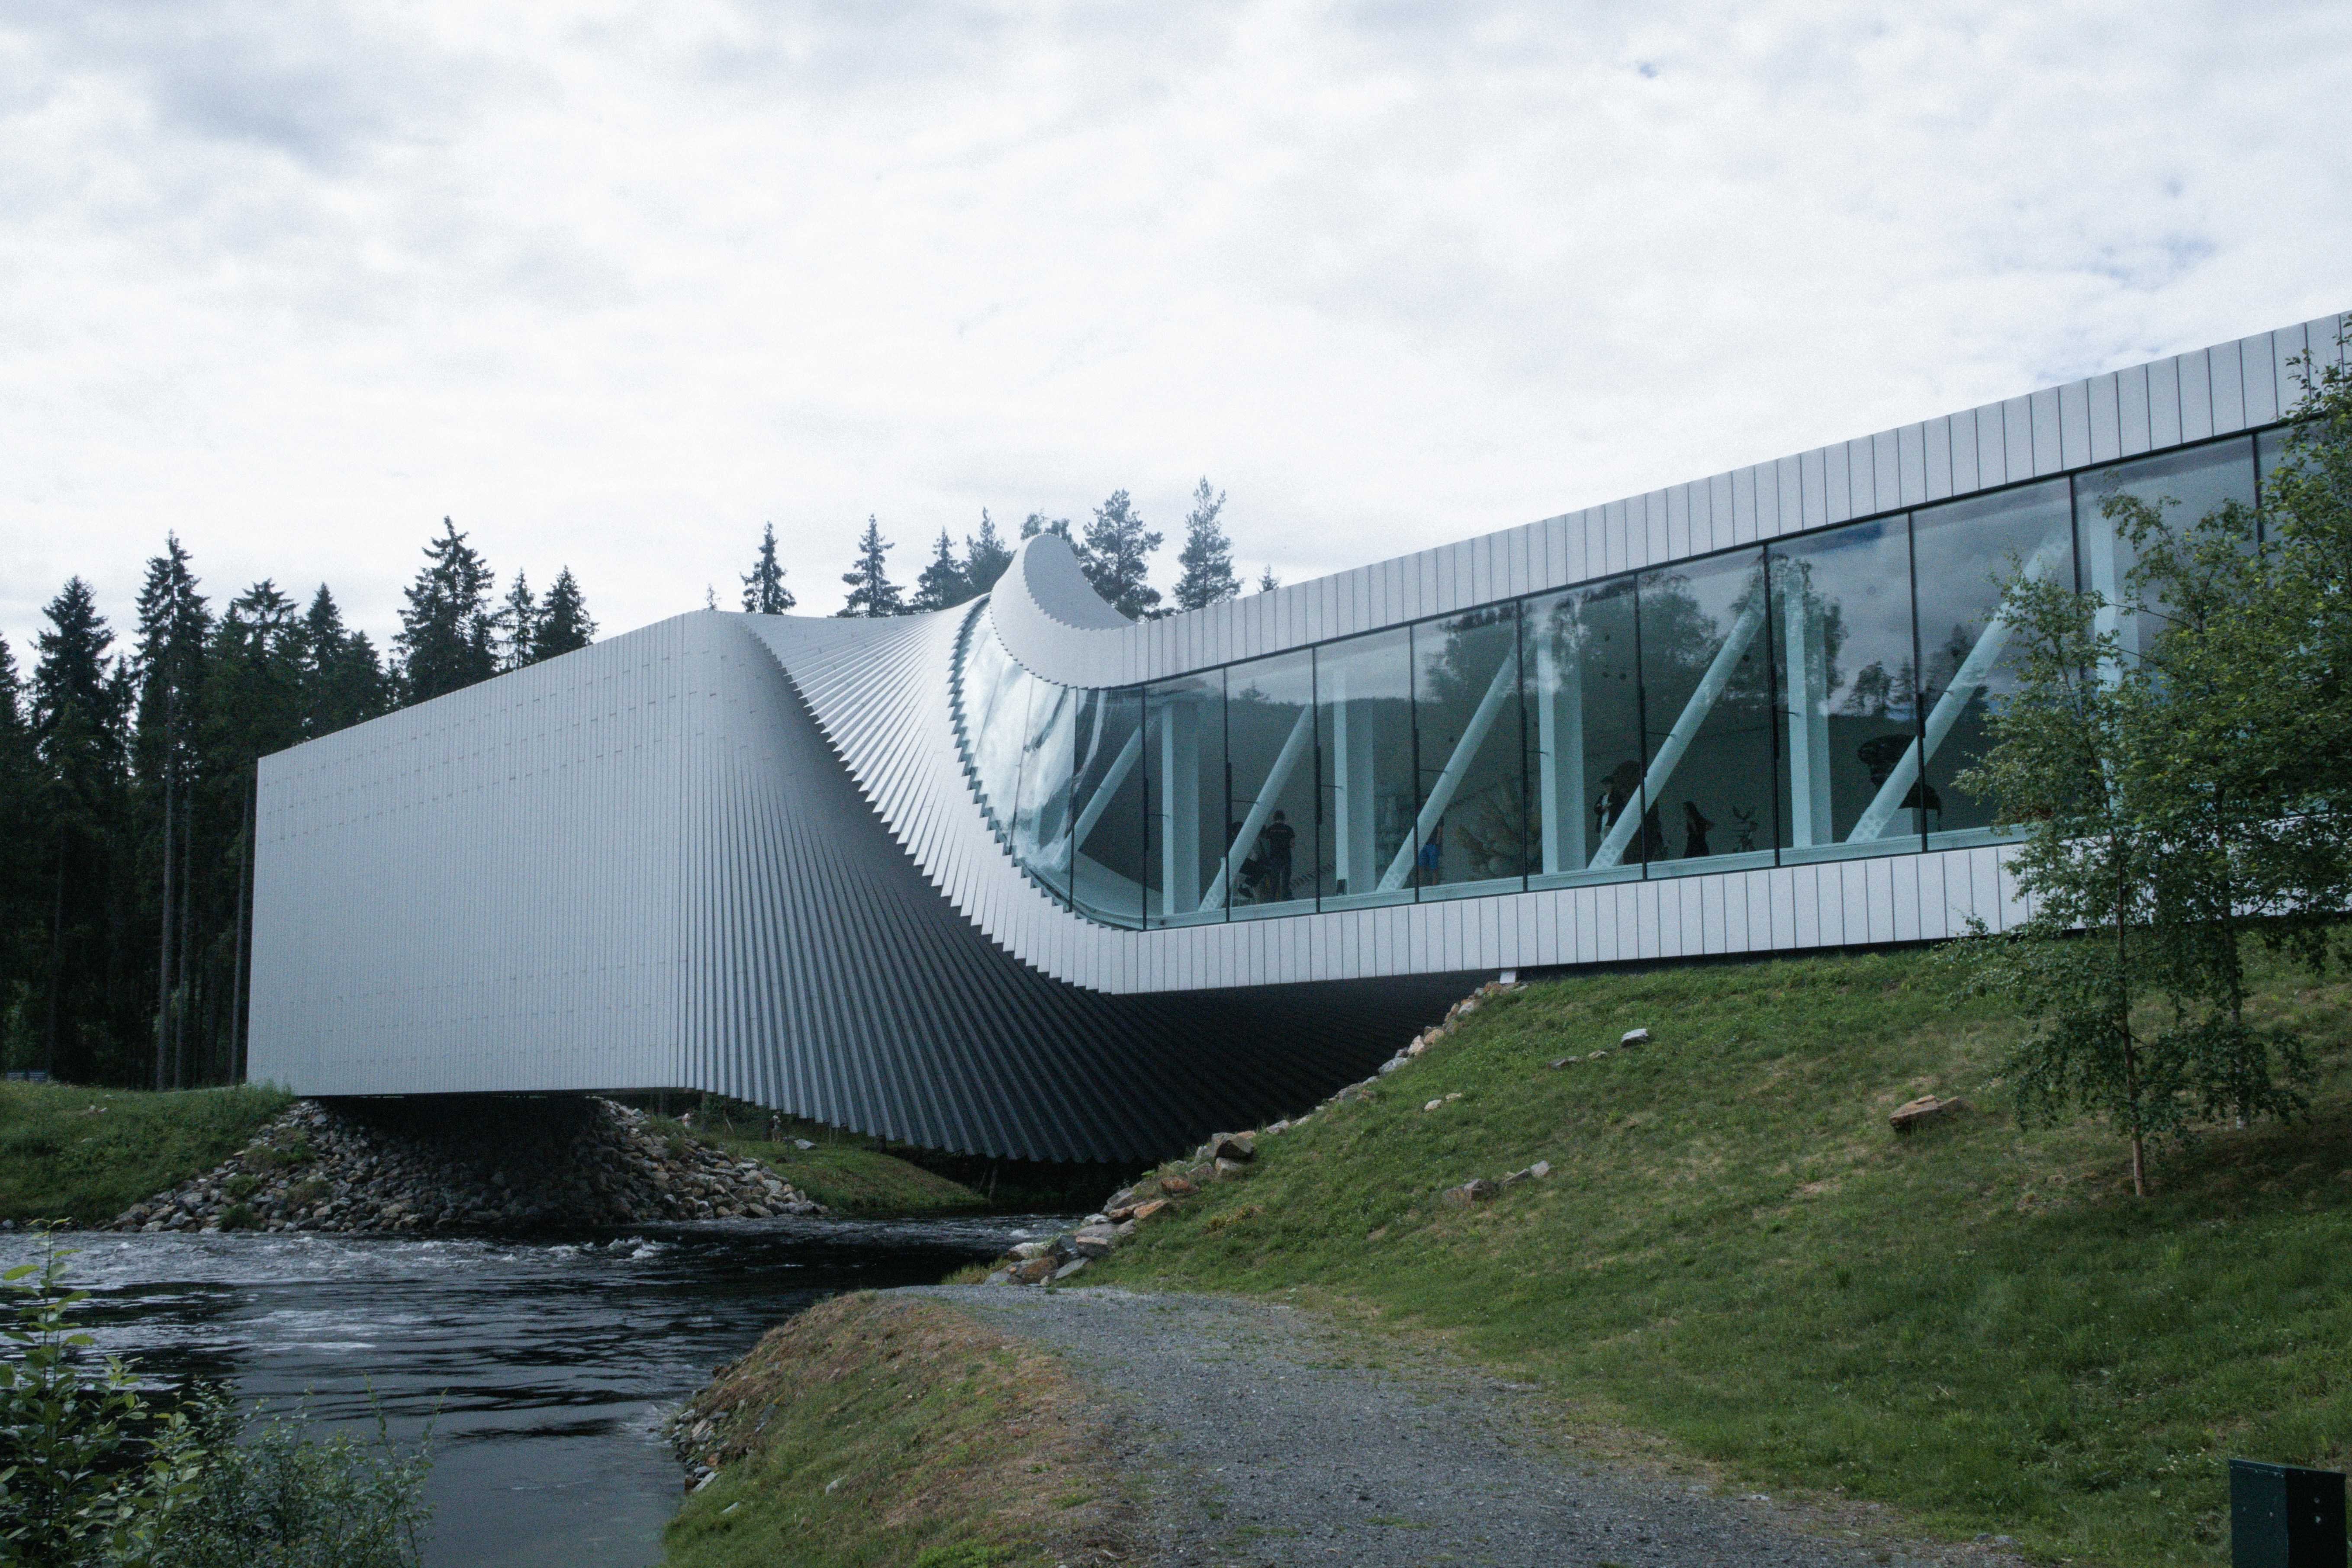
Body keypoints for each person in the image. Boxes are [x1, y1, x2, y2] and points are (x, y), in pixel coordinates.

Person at [1257, 809, 1296, 901]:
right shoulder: (1289, 829)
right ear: (1284, 819)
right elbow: (1292, 844)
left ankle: (1272, 899)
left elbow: (1265, 842)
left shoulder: (1271, 829)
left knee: (1274, 880)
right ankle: (1285, 898)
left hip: (1275, 858)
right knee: (1285, 880)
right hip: (1286, 857)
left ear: (1274, 819)